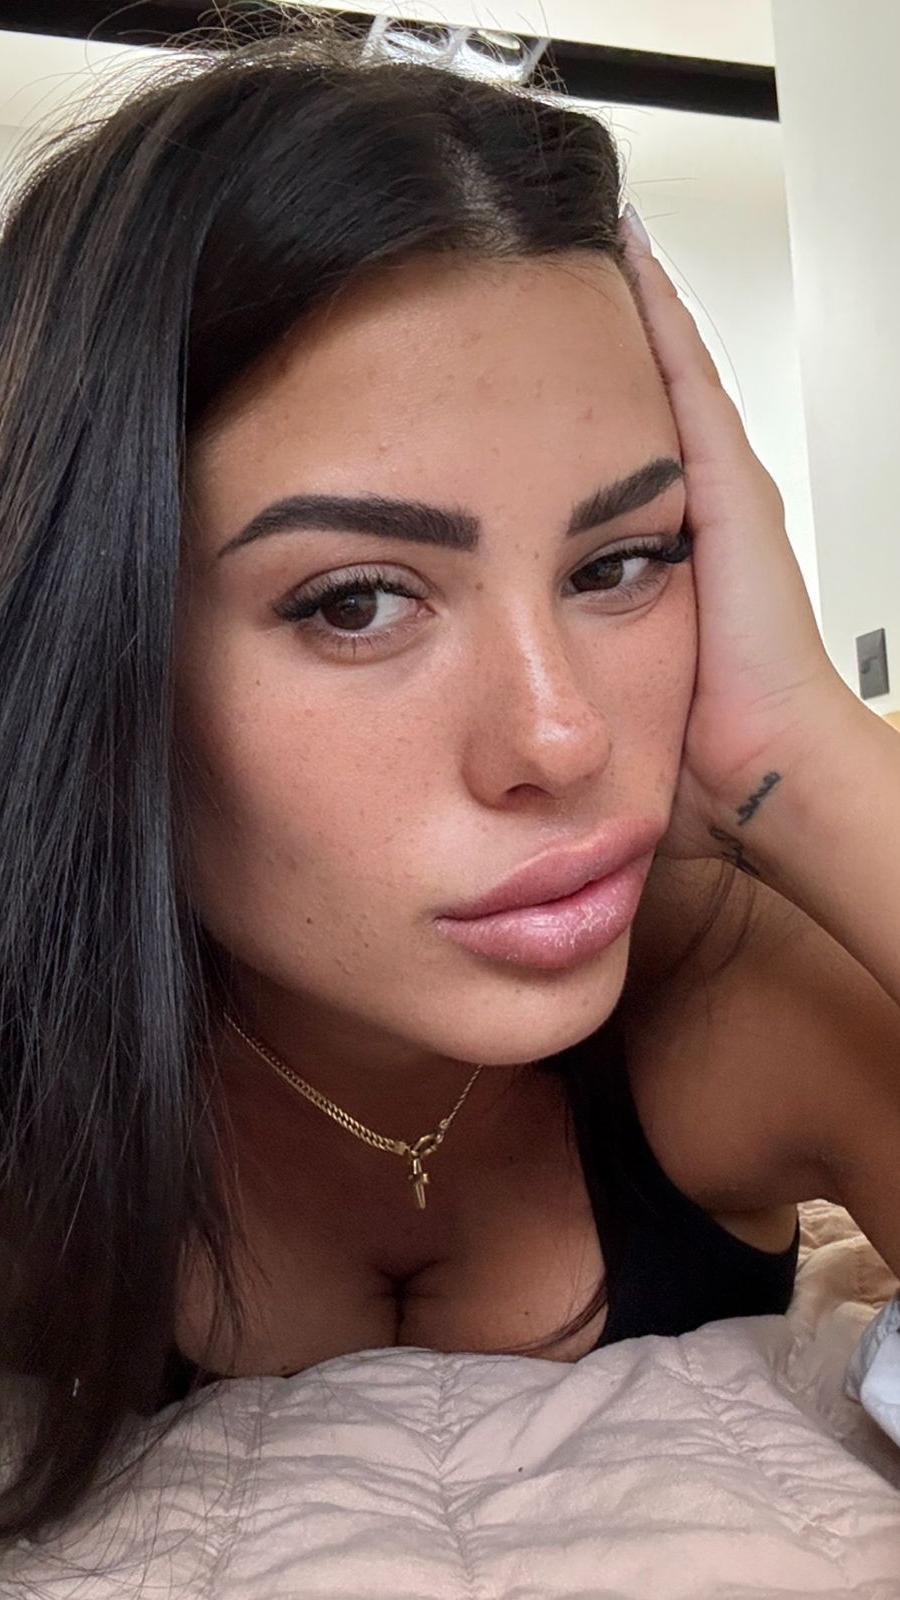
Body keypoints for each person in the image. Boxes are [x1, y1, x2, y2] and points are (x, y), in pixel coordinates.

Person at [1, 12, 899, 1550]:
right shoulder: (34, 1088)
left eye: (623, 561)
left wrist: (799, 749)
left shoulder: (742, 999)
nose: (560, 740)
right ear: (94, 643)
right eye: (355, 600)